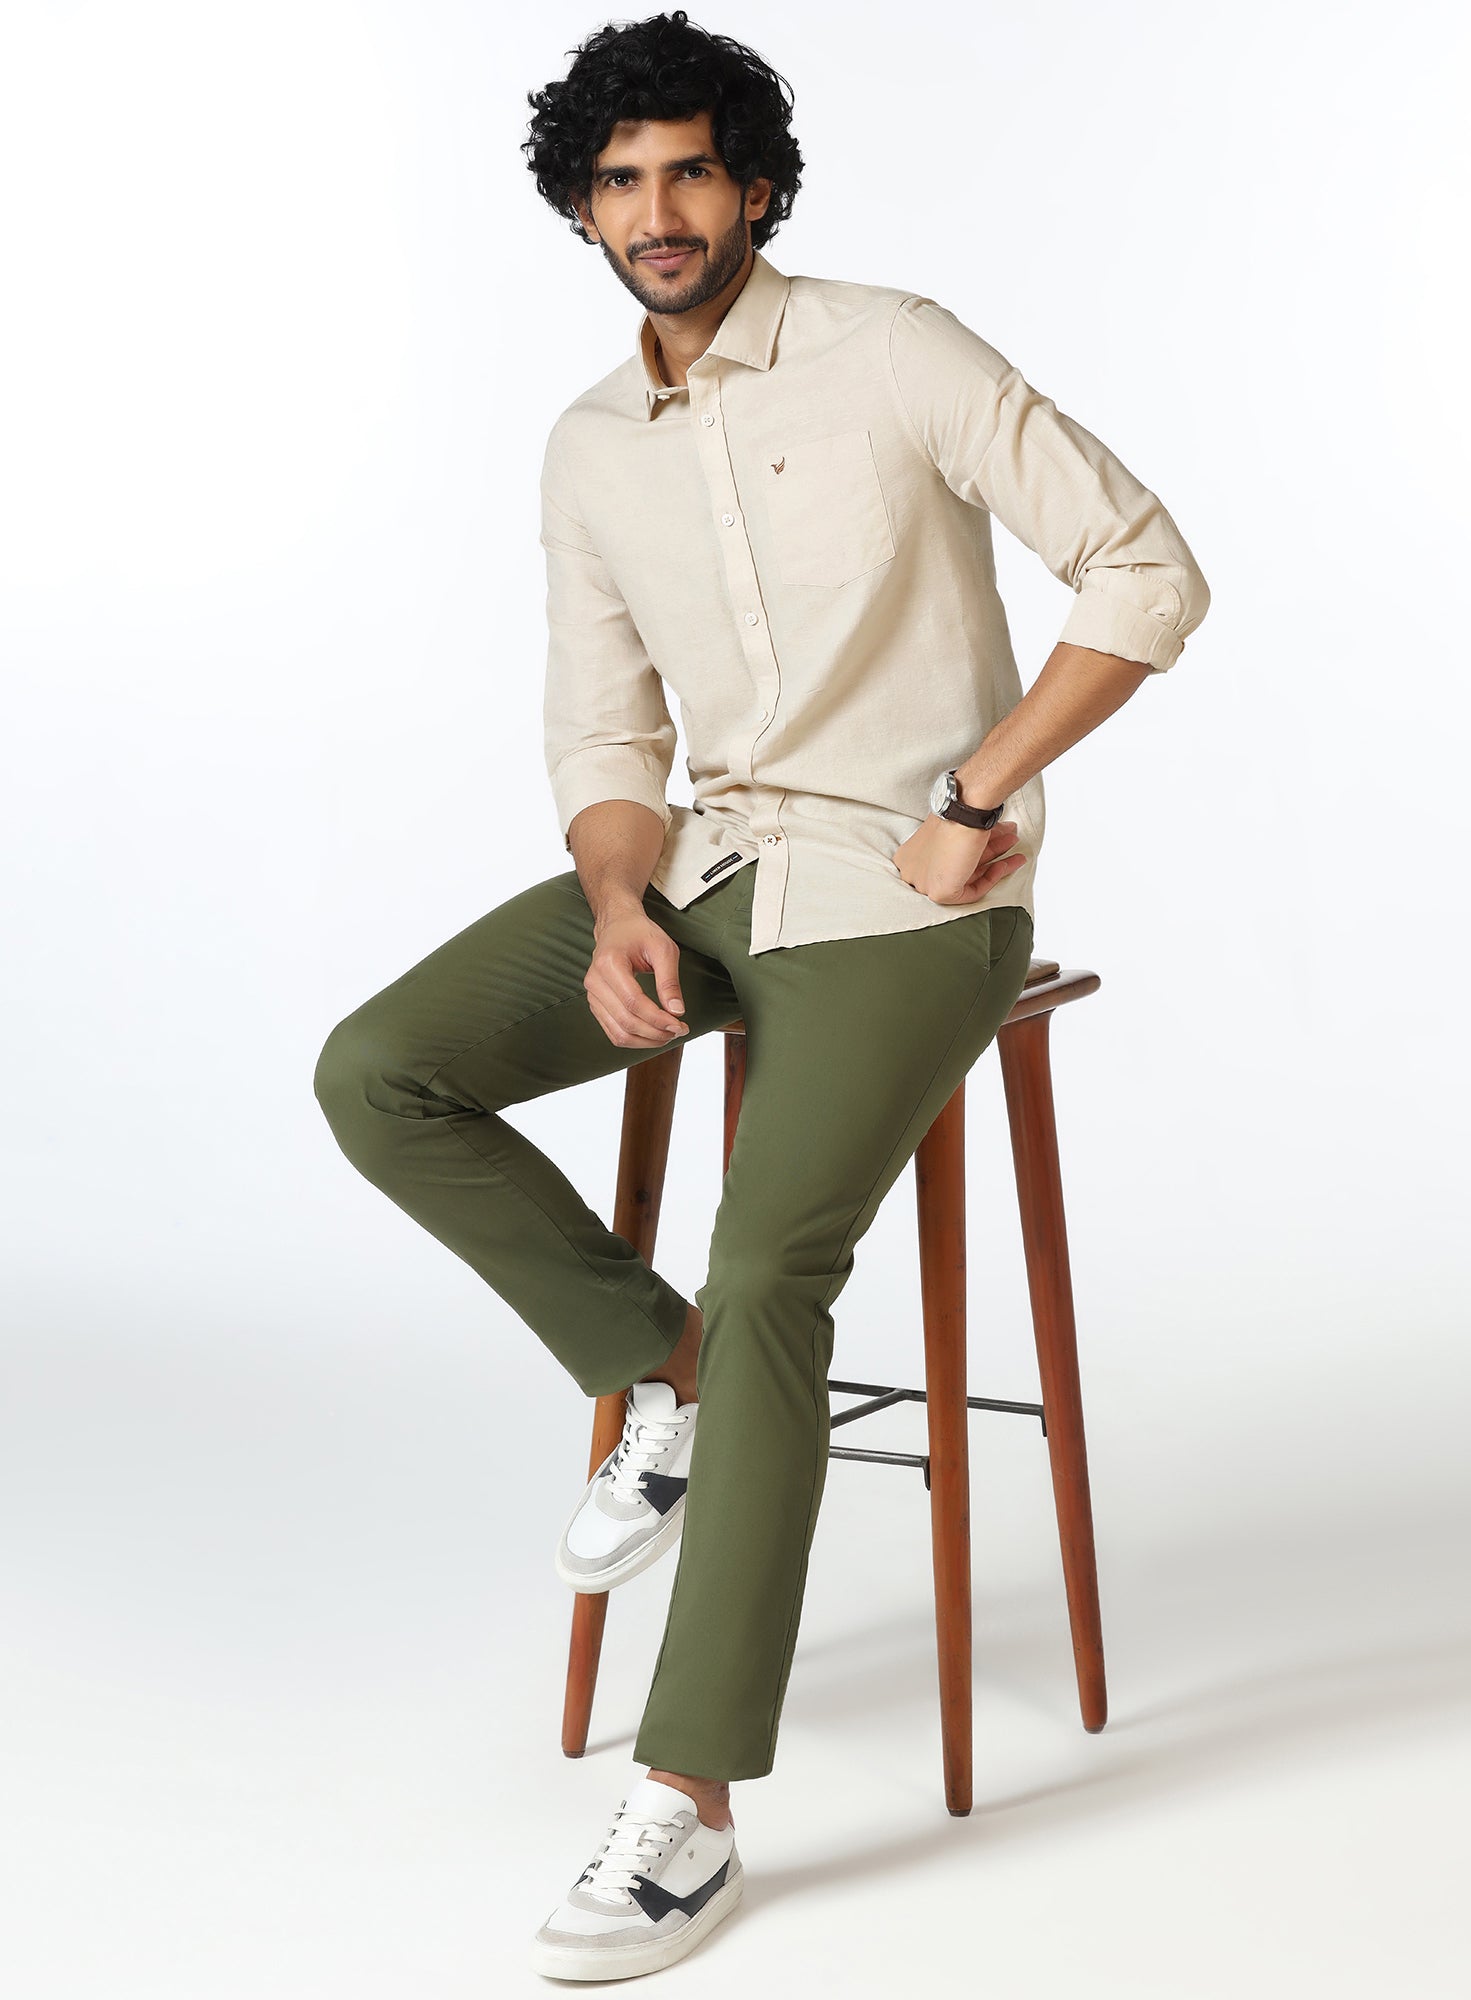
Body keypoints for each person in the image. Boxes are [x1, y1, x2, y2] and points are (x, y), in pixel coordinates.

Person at [313, 6, 1209, 1981]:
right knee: (380, 1070)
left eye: (690, 172)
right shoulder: (587, 446)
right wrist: (614, 900)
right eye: (619, 182)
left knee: (772, 1266)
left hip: (912, 898)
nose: (657, 211)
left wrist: (975, 795)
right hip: (707, 872)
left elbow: (1145, 571)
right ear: (579, 210)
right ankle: (669, 1378)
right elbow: (602, 727)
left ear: (758, 188)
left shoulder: (893, 349)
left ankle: (689, 1809)